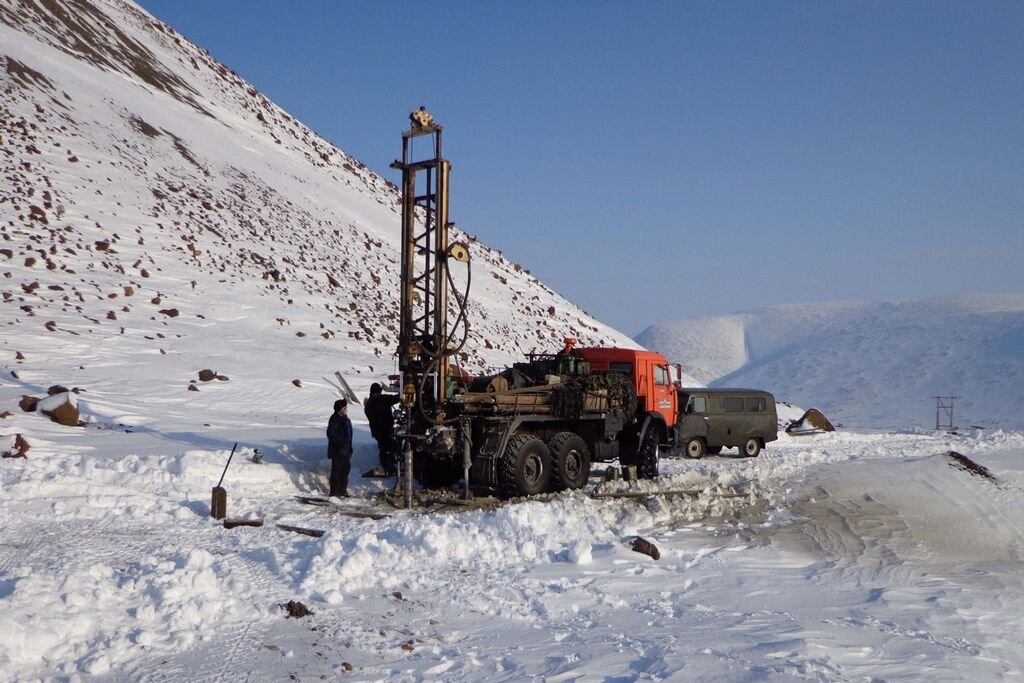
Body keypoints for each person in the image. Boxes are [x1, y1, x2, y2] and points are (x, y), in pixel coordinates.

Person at [364, 382, 401, 476]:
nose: (378, 394)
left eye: (379, 392)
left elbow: (396, 399)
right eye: (377, 393)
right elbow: (374, 419)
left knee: (391, 447)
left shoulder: (383, 399)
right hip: (380, 431)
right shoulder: (370, 405)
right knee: (385, 448)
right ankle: (386, 466)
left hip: (386, 429)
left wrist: (402, 394)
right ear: (372, 393)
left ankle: (391, 465)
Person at [326, 398, 353, 497]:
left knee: (345, 470)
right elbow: (331, 434)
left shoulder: (346, 419)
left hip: (345, 450)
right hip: (337, 451)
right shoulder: (334, 419)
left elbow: (349, 434)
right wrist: (341, 442)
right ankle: (334, 491)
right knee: (336, 471)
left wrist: (348, 446)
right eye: (345, 407)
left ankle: (342, 490)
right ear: (340, 409)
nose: (346, 409)